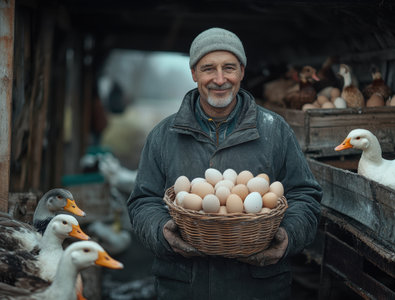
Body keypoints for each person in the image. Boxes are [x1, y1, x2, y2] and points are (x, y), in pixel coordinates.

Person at [127, 27, 322, 300]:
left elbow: (305, 196)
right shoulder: (164, 134)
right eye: (209, 69)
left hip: (258, 288)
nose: (220, 79)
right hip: (184, 286)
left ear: (242, 71)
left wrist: (288, 236)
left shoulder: (275, 130)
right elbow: (142, 201)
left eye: (228, 68)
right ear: (194, 74)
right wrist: (163, 233)